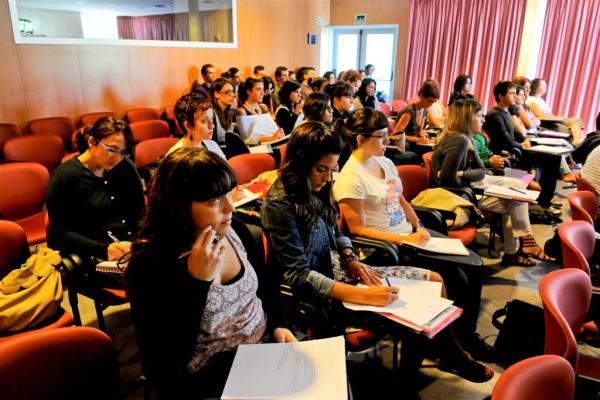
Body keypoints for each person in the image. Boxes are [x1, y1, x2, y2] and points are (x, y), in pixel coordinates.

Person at [262, 121, 493, 388]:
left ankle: (432, 361)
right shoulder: (280, 204)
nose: (327, 177)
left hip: (340, 269)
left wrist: (350, 257)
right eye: (321, 169)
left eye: (331, 169)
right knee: (410, 309)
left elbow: (336, 231)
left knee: (434, 280)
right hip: (320, 292)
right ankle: (437, 363)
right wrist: (363, 294)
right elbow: (298, 274)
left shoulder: (318, 185)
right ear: (300, 164)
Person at [127, 147, 296, 398]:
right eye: (214, 201)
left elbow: (268, 287)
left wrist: (281, 324)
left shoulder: (235, 229)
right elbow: (163, 365)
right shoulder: (151, 265)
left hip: (265, 354)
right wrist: (196, 284)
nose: (230, 206)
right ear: (179, 206)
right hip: (211, 380)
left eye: (229, 193)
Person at [332, 107, 494, 359]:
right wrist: (408, 238)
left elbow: (402, 200)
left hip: (410, 237)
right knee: (460, 277)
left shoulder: (384, 161)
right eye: (381, 136)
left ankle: (463, 337)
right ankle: (457, 344)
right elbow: (358, 229)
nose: (388, 141)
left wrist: (418, 225)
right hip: (388, 249)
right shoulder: (350, 177)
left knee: (473, 266)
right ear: (361, 140)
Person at [432, 98, 554, 266]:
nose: (483, 120)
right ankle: (522, 246)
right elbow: (447, 180)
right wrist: (464, 174)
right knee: (515, 202)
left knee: (519, 187)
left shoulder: (468, 138)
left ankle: (521, 246)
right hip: (460, 193)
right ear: (467, 118)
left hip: (472, 183)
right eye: (479, 116)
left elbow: (481, 171)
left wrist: (462, 173)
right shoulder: (459, 140)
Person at [47, 116, 144, 277]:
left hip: (130, 247)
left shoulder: (125, 167)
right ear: (92, 142)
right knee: (151, 278)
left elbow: (140, 212)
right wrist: (104, 249)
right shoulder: (65, 176)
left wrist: (142, 243)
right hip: (93, 252)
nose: (117, 158)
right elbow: (60, 232)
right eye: (112, 150)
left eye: (123, 152)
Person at [483, 81, 562, 212]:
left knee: (554, 158)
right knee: (551, 160)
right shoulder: (494, 115)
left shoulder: (506, 112)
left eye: (515, 93)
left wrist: (525, 140)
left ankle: (544, 199)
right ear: (501, 96)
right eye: (512, 93)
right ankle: (543, 201)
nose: (515, 96)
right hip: (507, 154)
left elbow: (515, 134)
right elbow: (505, 140)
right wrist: (521, 145)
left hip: (514, 149)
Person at [168, 93, 226, 160]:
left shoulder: (212, 146)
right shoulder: (176, 158)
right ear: (188, 126)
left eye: (212, 119)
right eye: (205, 121)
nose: (212, 126)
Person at [527, 78, 584, 144]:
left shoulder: (541, 100)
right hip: (546, 123)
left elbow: (549, 114)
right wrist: (558, 118)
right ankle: (576, 142)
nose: (546, 87)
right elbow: (539, 116)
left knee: (576, 120)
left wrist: (558, 117)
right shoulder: (532, 100)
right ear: (536, 88)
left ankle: (576, 142)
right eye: (543, 86)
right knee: (573, 131)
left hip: (552, 120)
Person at [237, 77, 285, 144]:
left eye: (263, 89)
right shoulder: (242, 111)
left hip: (274, 143)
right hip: (258, 149)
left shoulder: (263, 107)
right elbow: (246, 139)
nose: (262, 93)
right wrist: (271, 138)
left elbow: (273, 128)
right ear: (249, 92)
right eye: (258, 89)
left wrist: (279, 131)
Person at [393, 80, 438, 150]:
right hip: (404, 147)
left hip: (413, 145)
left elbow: (419, 132)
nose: (431, 105)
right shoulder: (409, 112)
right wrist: (417, 139)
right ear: (421, 96)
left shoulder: (424, 110)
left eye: (433, 102)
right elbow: (396, 134)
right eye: (429, 101)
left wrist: (427, 140)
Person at [210, 78, 236, 146]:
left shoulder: (228, 114)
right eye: (228, 92)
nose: (234, 95)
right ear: (216, 94)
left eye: (233, 92)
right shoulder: (210, 114)